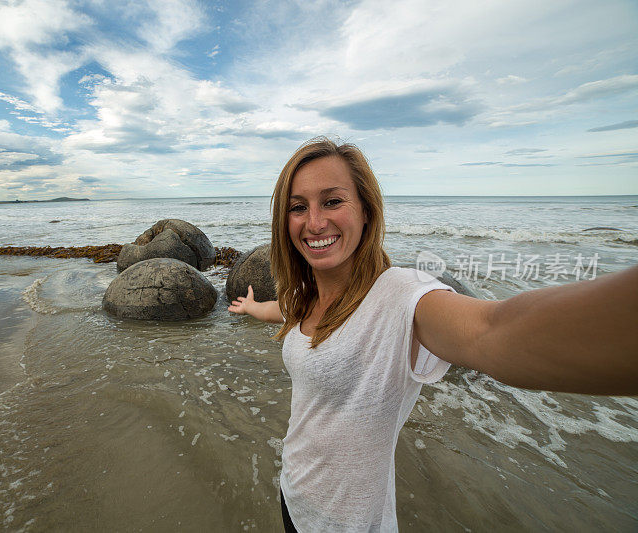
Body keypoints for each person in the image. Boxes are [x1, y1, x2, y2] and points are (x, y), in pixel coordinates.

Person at [227, 137, 638, 533]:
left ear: (367, 210)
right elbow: (282, 309)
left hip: (346, 521)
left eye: (333, 201)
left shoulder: (400, 296)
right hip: (293, 492)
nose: (314, 221)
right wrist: (250, 307)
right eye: (299, 207)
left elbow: (494, 330)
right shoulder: (305, 294)